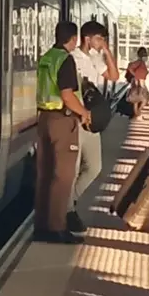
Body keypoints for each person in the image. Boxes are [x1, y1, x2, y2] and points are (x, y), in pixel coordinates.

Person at [34, 21, 91, 245]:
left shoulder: (47, 57)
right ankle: (57, 228)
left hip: (44, 119)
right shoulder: (65, 59)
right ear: (73, 39)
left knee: (45, 174)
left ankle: (40, 226)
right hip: (62, 120)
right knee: (63, 176)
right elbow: (67, 95)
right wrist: (84, 113)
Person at [68, 21, 119, 234]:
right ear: (87, 38)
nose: (102, 43)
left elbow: (114, 76)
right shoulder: (73, 59)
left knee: (94, 166)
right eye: (100, 39)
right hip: (77, 118)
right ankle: (67, 211)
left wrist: (106, 51)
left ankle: (69, 202)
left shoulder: (95, 59)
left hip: (92, 119)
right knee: (74, 167)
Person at [126, 47, 149, 119]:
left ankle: (137, 114)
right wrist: (136, 75)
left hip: (138, 83)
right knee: (143, 99)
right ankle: (137, 114)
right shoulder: (139, 62)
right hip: (139, 83)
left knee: (136, 100)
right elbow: (130, 67)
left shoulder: (141, 63)